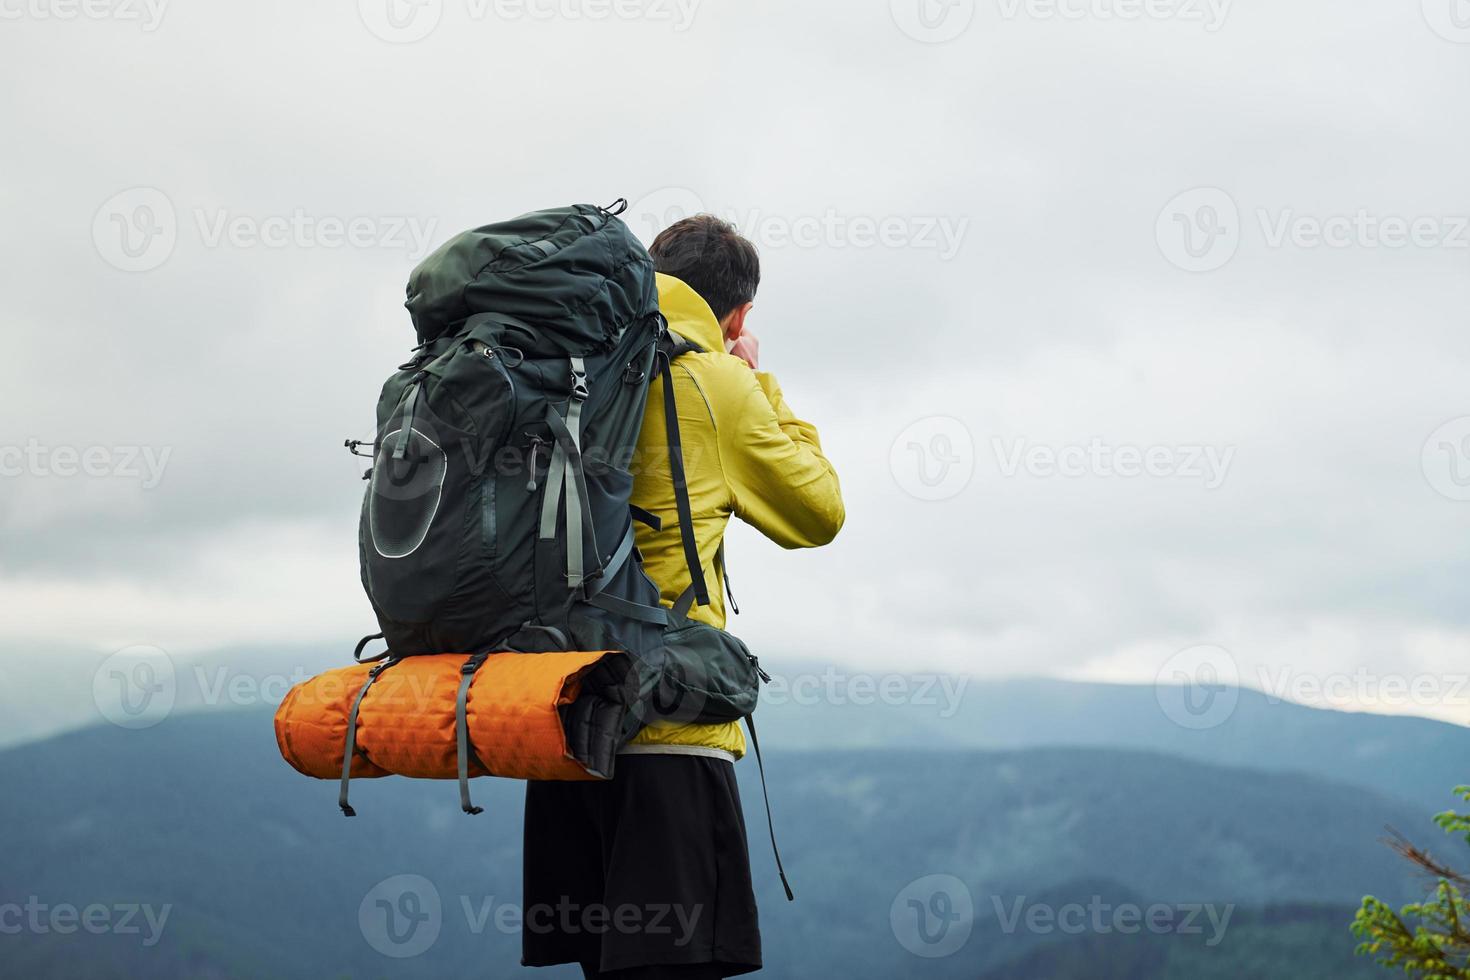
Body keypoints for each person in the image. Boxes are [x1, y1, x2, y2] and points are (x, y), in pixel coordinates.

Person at [522, 214, 846, 979]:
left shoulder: (572, 367)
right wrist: (757, 377)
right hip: (666, 736)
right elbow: (819, 511)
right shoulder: (716, 381)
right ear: (739, 313)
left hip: (562, 727)